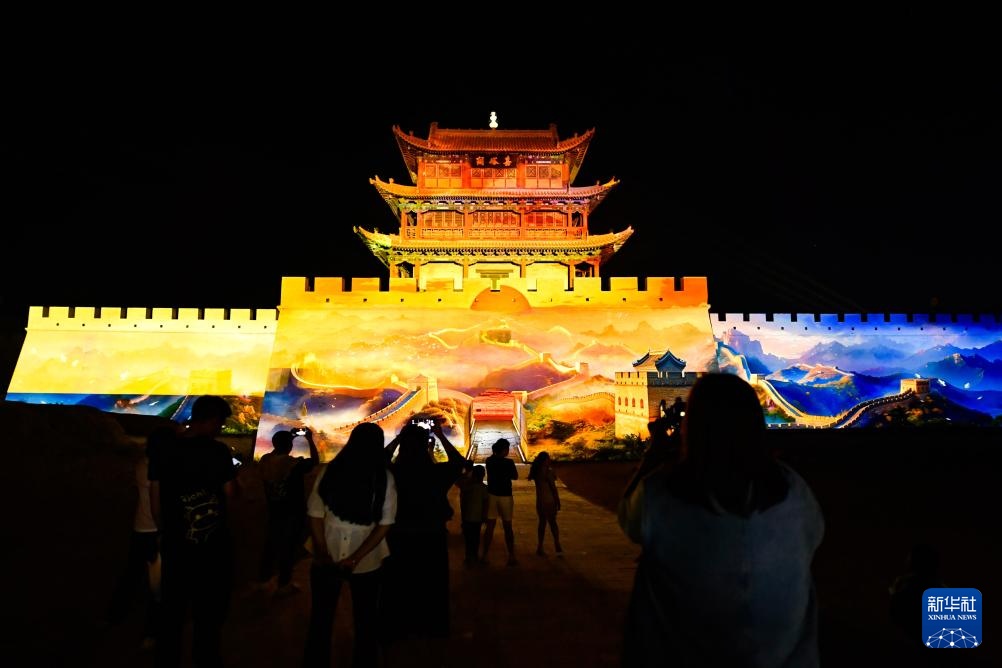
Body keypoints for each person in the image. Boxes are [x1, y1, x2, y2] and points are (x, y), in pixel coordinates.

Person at [618, 373, 825, 668]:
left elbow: (628, 521)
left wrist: (656, 453)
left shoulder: (661, 494)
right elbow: (813, 538)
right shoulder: (792, 489)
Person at [149, 395, 240, 668]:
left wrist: (164, 530)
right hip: (212, 546)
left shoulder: (164, 450)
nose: (219, 429)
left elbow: (155, 497)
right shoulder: (218, 451)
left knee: (172, 610)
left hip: (176, 543)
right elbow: (230, 494)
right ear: (212, 420)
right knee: (208, 614)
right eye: (220, 423)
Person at [302, 422, 396, 668]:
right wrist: (356, 557)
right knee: (366, 619)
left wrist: (322, 551)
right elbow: (385, 524)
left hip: (326, 555)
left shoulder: (329, 471)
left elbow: (315, 514)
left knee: (321, 618)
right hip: (367, 560)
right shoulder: (384, 478)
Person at [380, 417, 465, 654]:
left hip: (398, 535)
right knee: (431, 584)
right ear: (425, 444)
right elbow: (459, 462)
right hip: (431, 535)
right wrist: (440, 435)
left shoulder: (393, 473)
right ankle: (431, 626)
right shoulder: (435, 473)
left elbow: (380, 460)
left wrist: (400, 437)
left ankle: (397, 627)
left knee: (398, 585)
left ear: (403, 446)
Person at [106, 422, 179, 650]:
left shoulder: (142, 464)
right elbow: (158, 506)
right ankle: (151, 632)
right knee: (157, 587)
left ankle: (115, 615)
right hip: (154, 530)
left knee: (131, 575)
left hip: (139, 527)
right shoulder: (160, 470)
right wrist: (164, 530)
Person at [256, 427, 319, 596]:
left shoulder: (265, 460)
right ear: (290, 446)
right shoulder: (294, 464)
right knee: (289, 549)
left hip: (274, 511)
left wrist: (287, 438)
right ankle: (284, 584)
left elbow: (277, 451)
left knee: (271, 545)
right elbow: (315, 461)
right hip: (293, 513)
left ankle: (264, 580)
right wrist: (309, 438)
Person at [480, 438, 519, 566]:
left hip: (492, 495)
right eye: (507, 449)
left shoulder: (489, 461)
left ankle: (485, 555)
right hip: (505, 496)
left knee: (490, 526)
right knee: (508, 526)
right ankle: (511, 556)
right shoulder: (509, 462)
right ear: (503, 450)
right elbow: (515, 476)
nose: (508, 451)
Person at [527, 451, 563, 556]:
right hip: (549, 501)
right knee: (553, 523)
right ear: (545, 460)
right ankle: (557, 544)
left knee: (542, 523)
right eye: (548, 459)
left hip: (540, 501)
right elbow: (553, 488)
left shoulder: (536, 472)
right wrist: (557, 500)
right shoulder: (548, 472)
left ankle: (540, 546)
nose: (549, 460)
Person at [455, 462, 488, 566]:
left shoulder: (467, 487)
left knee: (468, 538)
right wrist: (485, 516)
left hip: (467, 516)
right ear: (483, 475)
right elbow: (485, 503)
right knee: (476, 537)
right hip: (478, 517)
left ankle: (468, 557)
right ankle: (475, 556)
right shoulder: (484, 488)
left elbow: (458, 482)